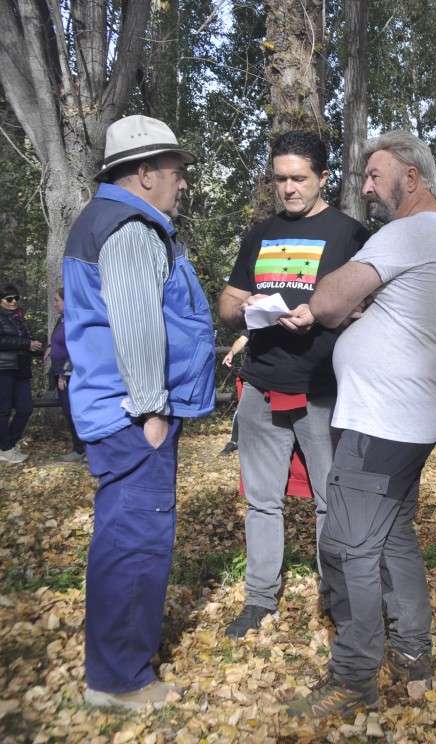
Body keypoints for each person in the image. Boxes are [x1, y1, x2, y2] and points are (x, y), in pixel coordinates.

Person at [287, 130, 436, 717]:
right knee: (393, 540)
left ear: (410, 178)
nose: (364, 187)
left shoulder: (410, 230)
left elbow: (328, 300)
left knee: (347, 549)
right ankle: (414, 656)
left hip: (381, 421)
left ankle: (355, 676)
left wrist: (338, 301)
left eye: (374, 176)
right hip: (407, 416)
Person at [62, 115, 215, 709]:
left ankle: (112, 665)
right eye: (176, 173)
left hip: (115, 409)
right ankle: (120, 680)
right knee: (136, 540)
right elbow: (136, 325)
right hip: (133, 415)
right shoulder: (130, 227)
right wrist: (152, 409)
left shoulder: (104, 219)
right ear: (146, 173)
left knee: (124, 534)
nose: (182, 184)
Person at [218, 131, 371, 639]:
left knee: (331, 500)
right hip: (261, 384)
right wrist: (249, 309)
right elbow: (227, 303)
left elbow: (372, 311)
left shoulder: (351, 235)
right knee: (262, 499)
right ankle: (260, 599)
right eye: (280, 179)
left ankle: (335, 598)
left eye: (298, 178)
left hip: (322, 389)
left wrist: (328, 317)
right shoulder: (258, 234)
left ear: (323, 178)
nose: (288, 188)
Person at [0, 285, 41, 463]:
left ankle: (6, 446)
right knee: (4, 410)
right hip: (4, 368)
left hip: (22, 368)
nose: (14, 301)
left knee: (26, 408)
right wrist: (26, 344)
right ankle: (6, 448)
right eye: (9, 298)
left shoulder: (20, 318)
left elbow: (25, 341)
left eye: (16, 298)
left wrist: (37, 347)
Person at [43, 287, 83, 462]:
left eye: (56, 300)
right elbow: (57, 340)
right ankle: (80, 448)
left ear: (66, 301)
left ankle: (81, 449)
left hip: (70, 374)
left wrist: (65, 373)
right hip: (61, 371)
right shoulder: (62, 319)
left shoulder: (74, 321)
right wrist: (50, 347)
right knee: (68, 411)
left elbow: (76, 349)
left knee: (74, 411)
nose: (54, 304)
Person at [218, 332, 249, 456]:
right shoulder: (255, 319)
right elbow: (242, 339)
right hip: (252, 374)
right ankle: (234, 441)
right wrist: (231, 353)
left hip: (276, 374)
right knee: (243, 406)